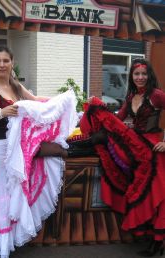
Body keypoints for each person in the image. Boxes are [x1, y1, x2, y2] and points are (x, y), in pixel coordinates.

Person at [0, 45, 77, 258]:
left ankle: (4, 243)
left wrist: (62, 102)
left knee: (10, 195)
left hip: (15, 149)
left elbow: (37, 104)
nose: (1, 65)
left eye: (5, 60)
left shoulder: (15, 86)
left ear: (12, 62)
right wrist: (1, 112)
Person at [73, 58, 165, 257]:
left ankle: (158, 242)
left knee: (153, 196)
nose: (140, 77)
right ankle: (82, 142)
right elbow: (117, 120)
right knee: (104, 129)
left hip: (152, 148)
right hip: (136, 144)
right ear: (131, 77)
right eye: (136, 74)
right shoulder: (131, 96)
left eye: (143, 74)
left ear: (149, 75)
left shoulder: (156, 95)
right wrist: (96, 108)